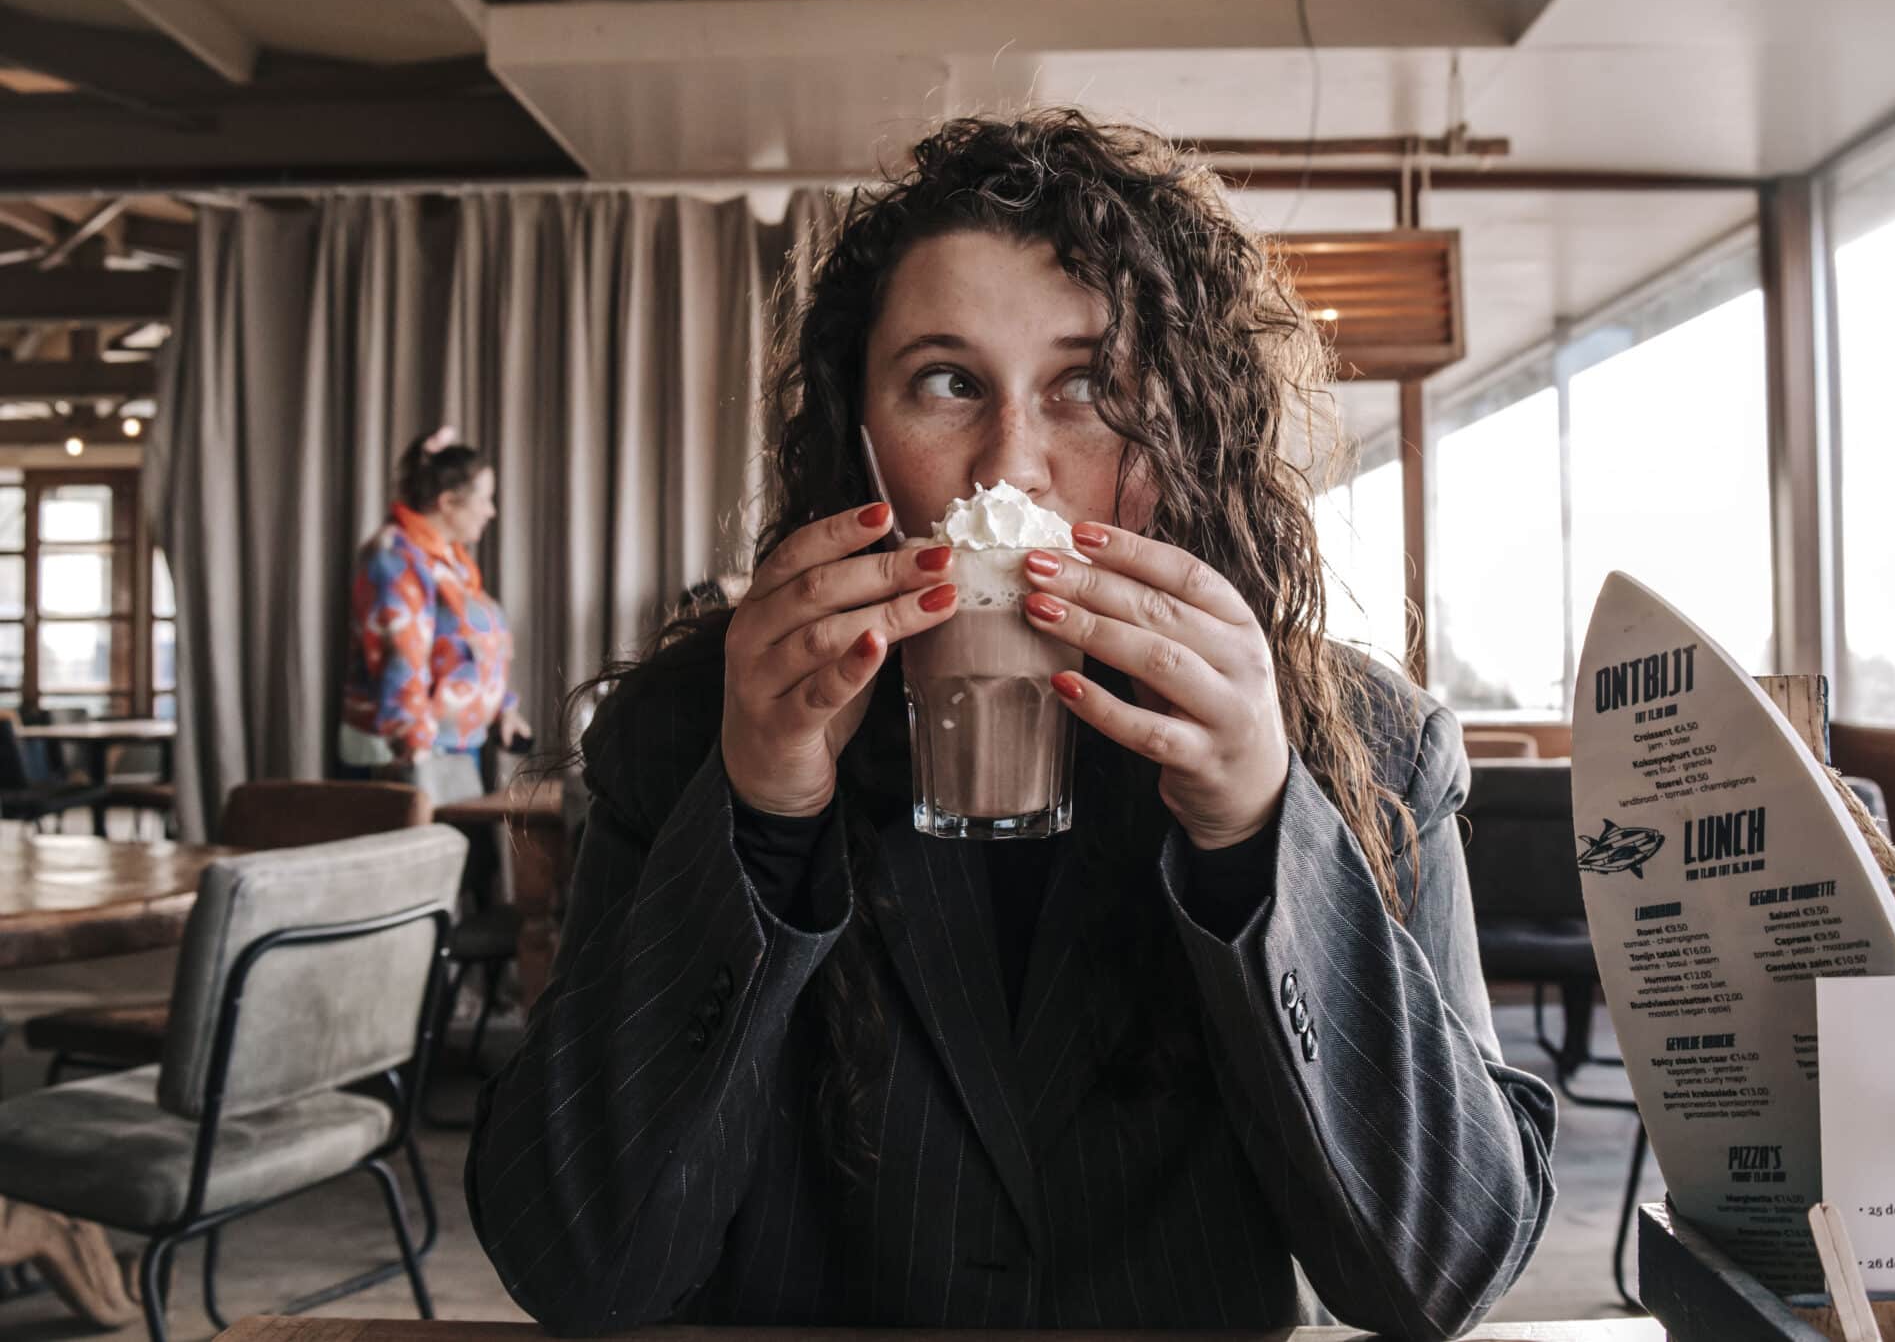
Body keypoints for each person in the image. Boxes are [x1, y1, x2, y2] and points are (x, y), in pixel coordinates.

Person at [467, 110, 1556, 1340]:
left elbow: (1442, 1274)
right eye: (946, 382)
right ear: (856, 437)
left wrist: (1258, 828)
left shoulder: (1361, 735)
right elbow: (575, 1269)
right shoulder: (690, 730)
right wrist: (761, 813)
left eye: (1088, 386)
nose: (1009, 471)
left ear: (1187, 434)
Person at [340, 427, 531, 789]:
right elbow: (401, 657)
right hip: (407, 755)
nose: (491, 512)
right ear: (447, 503)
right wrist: (414, 749)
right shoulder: (395, 557)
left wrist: (502, 709)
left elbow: (463, 652)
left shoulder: (452, 564)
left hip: (451, 749)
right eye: (485, 499)